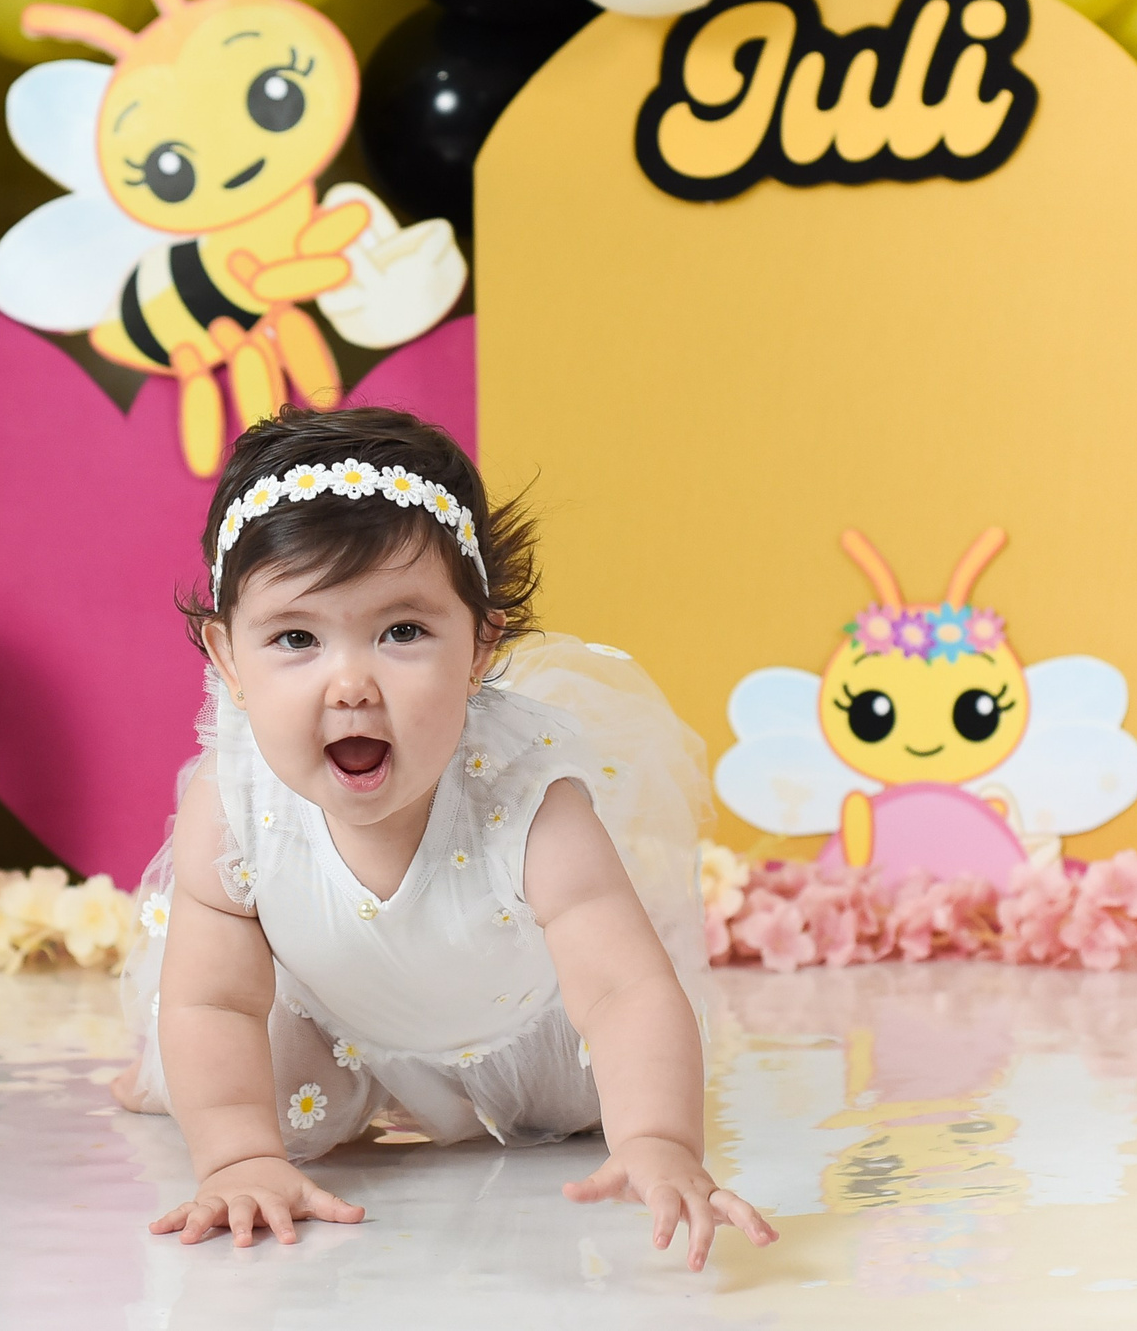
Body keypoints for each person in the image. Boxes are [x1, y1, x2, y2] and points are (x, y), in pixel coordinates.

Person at [115, 406, 779, 1264]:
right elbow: (219, 1000)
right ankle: (182, 1096)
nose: (349, 682)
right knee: (235, 1082)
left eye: (402, 632)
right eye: (295, 638)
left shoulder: (528, 798)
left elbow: (620, 991)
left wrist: (658, 1139)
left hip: (525, 1032)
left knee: (587, 1110)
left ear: (479, 647)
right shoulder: (235, 801)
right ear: (228, 659)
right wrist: (239, 1157)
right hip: (335, 1010)